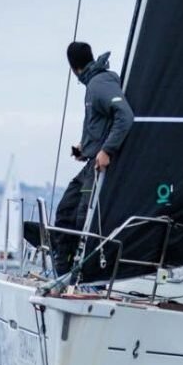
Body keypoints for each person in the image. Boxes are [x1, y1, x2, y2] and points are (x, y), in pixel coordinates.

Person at [53, 41, 134, 272]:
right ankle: (62, 272)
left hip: (100, 168)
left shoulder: (99, 84)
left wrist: (106, 150)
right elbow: (103, 122)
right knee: (65, 211)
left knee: (82, 219)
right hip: (90, 163)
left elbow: (125, 116)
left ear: (73, 66)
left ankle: (81, 274)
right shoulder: (94, 83)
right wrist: (84, 147)